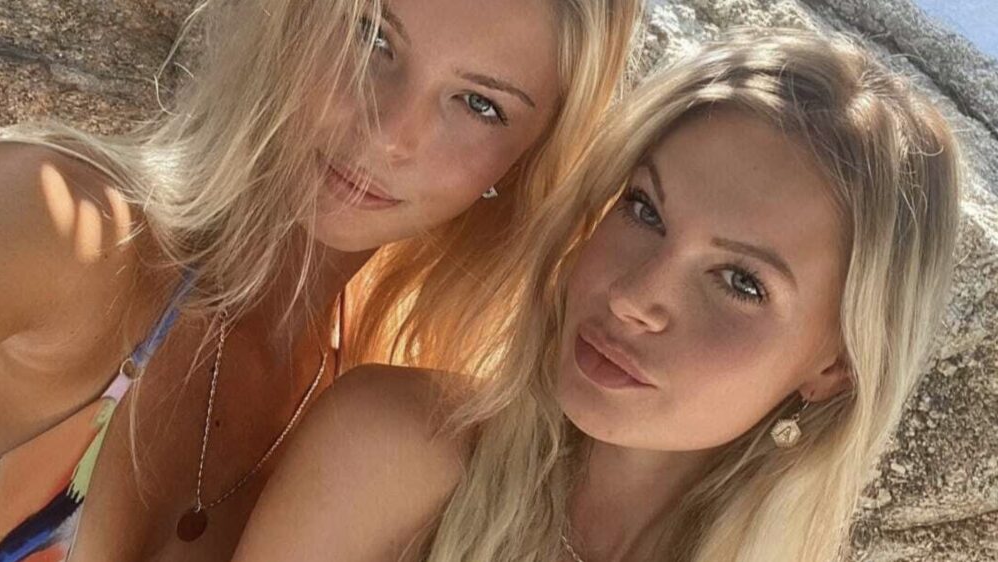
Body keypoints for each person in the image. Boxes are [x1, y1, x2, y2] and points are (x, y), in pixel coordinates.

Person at [234, 29, 961, 562]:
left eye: (741, 281)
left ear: (835, 365)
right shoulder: (392, 451)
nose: (634, 297)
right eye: (644, 210)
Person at [0, 0, 642, 560]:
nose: (388, 134)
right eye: (371, 35)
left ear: (526, 163)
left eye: (480, 104)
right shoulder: (58, 229)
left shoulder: (374, 427)